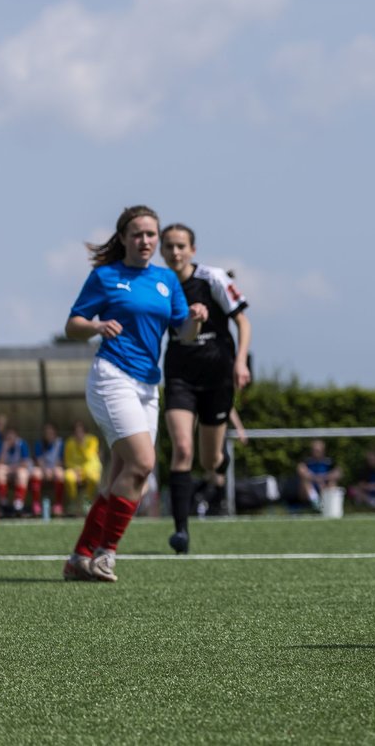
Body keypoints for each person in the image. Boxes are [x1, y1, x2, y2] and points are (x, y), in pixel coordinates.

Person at [62, 205, 205, 582]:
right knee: (142, 462)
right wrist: (95, 325)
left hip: (147, 385)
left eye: (151, 234)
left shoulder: (166, 280)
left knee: (124, 475)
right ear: (124, 238)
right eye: (138, 234)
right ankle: (106, 554)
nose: (145, 241)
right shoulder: (106, 276)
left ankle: (79, 557)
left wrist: (194, 318)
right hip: (112, 377)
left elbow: (184, 333)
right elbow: (72, 325)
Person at [159, 223, 252, 554]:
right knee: (182, 449)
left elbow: (243, 321)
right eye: (168, 246)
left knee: (210, 460)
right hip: (180, 375)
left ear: (192, 250)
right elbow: (180, 334)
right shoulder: (161, 285)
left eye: (181, 246)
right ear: (162, 250)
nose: (175, 252)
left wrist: (240, 362)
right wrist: (193, 321)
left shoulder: (213, 278)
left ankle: (217, 461)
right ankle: (181, 532)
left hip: (217, 375)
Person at [63, 420, 103, 512]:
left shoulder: (92, 440)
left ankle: (87, 501)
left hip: (90, 470)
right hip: (75, 470)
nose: (78, 434)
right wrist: (75, 470)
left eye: (81, 431)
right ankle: (73, 502)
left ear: (85, 432)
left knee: (93, 478)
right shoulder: (69, 443)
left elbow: (88, 456)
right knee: (68, 477)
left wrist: (81, 444)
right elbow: (67, 461)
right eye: (76, 431)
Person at [32, 423, 66, 516]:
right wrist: (45, 470)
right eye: (47, 432)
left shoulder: (60, 443)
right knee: (36, 473)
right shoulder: (39, 443)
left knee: (59, 473)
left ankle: (58, 504)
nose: (49, 434)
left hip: (55, 468)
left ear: (55, 433)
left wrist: (53, 469)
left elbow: (61, 460)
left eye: (51, 432)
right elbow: (38, 460)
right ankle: (36, 503)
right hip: (44, 469)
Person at [0, 426, 32, 517]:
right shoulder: (4, 445)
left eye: (12, 436)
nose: (10, 439)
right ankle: (3, 503)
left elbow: (25, 463)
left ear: (16, 436)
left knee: (22, 473)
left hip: (19, 470)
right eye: (8, 437)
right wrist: (4, 449)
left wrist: (12, 468)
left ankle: (18, 504)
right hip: (10, 471)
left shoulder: (21, 444)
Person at [296, 439, 340, 509]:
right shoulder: (307, 460)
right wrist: (316, 479)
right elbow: (301, 470)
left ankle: (329, 506)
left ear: (323, 450)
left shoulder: (329, 461)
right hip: (309, 487)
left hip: (325, 485)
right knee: (305, 482)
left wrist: (324, 478)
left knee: (332, 482)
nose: (316, 452)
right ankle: (316, 505)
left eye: (318, 450)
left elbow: (338, 473)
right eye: (314, 450)